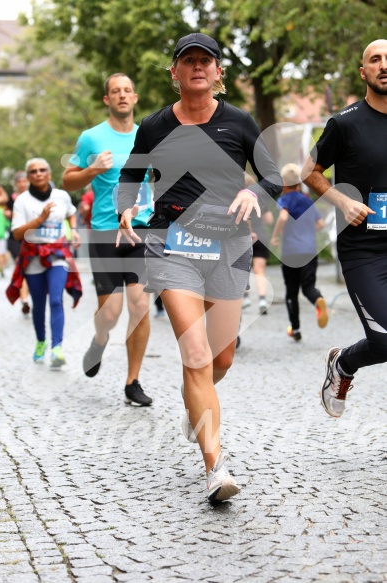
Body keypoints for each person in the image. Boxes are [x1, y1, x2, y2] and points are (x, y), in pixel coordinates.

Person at [117, 32, 281, 502]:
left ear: (217, 73)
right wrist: (128, 207)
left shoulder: (239, 121)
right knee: (195, 355)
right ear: (174, 72)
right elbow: (131, 177)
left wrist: (253, 191)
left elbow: (272, 176)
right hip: (174, 247)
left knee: (220, 359)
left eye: (205, 61)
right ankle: (216, 468)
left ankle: (195, 403)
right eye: (187, 61)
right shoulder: (153, 126)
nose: (197, 68)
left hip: (228, 249)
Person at [302, 38, 387, 418]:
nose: (384, 65)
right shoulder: (345, 122)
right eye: (376, 59)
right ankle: (343, 364)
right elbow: (309, 173)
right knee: (385, 341)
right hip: (364, 250)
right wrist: (343, 200)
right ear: (363, 71)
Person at [62, 73, 153, 406]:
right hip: (104, 231)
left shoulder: (149, 135)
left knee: (140, 305)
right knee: (111, 313)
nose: (122, 96)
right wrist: (91, 170)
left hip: (141, 229)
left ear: (135, 97)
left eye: (127, 90)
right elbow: (68, 181)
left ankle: (133, 381)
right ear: (107, 100)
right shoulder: (91, 138)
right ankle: (100, 339)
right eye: (115, 91)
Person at [6, 158, 82, 367]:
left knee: (56, 300)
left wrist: (74, 231)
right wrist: (40, 219)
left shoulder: (62, 196)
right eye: (33, 171)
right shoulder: (22, 201)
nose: (38, 174)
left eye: (42, 170)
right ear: (28, 176)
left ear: (49, 174)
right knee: (38, 304)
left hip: (57, 253)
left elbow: (71, 213)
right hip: (33, 256)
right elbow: (17, 233)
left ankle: (57, 347)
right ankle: (41, 342)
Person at [270, 163, 328, 342]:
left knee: (291, 291)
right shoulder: (307, 200)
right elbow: (320, 224)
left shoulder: (285, 199)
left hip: (291, 253)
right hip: (310, 250)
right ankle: (317, 299)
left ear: (284, 185)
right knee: (308, 286)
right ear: (298, 184)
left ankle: (295, 329)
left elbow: (283, 216)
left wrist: (275, 235)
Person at [246, 172, 274, 315]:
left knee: (242, 269)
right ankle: (262, 300)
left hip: (244, 237)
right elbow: (269, 220)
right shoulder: (261, 201)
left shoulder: (239, 198)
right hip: (261, 237)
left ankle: (245, 298)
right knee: (260, 270)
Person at [6, 171, 31, 314]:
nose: (22, 184)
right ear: (16, 184)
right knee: (20, 265)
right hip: (15, 238)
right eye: (19, 181)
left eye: (24, 181)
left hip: (31, 237)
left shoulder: (34, 197)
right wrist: (8, 212)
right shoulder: (12, 198)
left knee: (29, 269)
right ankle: (24, 300)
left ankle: (28, 295)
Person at [0, 186, 10, 277]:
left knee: (1, 253)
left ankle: (1, 268)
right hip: (2, 234)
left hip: (1, 234)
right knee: (1, 253)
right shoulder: (2, 211)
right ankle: (1, 269)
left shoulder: (2, 211)